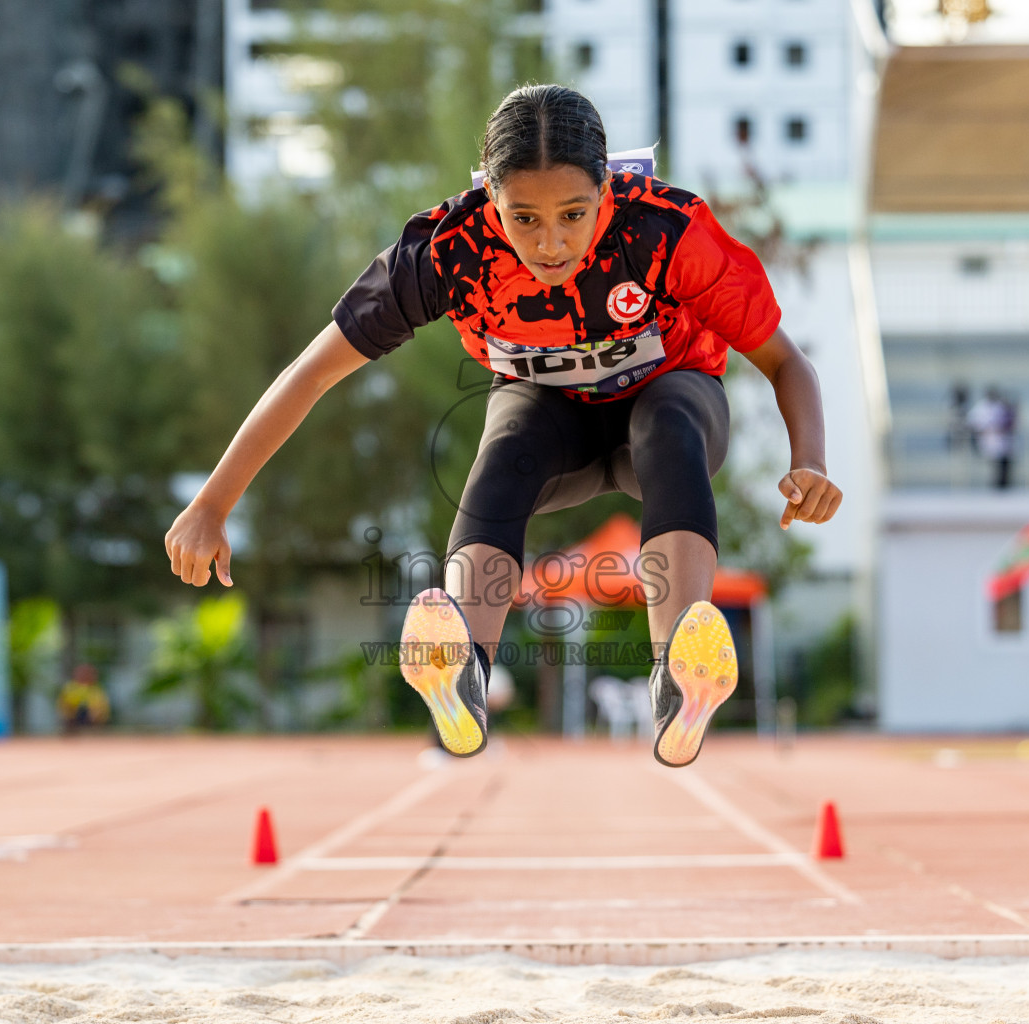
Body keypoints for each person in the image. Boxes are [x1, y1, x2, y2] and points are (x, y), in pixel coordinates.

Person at [164, 84, 841, 768]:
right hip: (552, 427)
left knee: (665, 425)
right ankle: (467, 674)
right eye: (524, 218)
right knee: (507, 445)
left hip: (671, 409)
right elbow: (310, 373)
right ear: (490, 198)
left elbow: (788, 363)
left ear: (608, 191)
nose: (551, 244)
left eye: (574, 214)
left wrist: (808, 460)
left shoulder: (664, 230)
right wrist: (213, 502)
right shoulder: (447, 253)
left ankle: (677, 680)